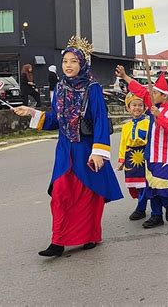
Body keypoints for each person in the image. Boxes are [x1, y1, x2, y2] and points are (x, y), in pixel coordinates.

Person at [13, 37, 123, 256]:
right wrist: (33, 113)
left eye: (73, 61)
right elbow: (56, 120)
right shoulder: (60, 88)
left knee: (89, 196)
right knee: (61, 194)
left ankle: (91, 234)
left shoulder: (93, 89)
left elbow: (100, 119)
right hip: (65, 152)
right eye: (65, 61)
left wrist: (99, 151)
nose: (69, 65)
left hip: (87, 150)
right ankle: (58, 241)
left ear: (82, 64)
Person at [116, 66, 168, 228]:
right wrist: (125, 76)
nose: (151, 95)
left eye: (155, 93)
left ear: (164, 96)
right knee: (151, 187)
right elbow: (139, 89)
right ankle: (156, 215)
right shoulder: (152, 105)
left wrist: (159, 117)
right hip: (149, 154)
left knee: (161, 185)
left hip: (163, 155)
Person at [118, 93, 150, 221]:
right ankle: (140, 202)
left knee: (144, 184)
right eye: (134, 105)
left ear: (145, 107)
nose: (137, 108)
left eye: (140, 105)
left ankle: (141, 208)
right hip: (130, 157)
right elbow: (123, 144)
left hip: (144, 156)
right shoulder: (126, 126)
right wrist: (121, 160)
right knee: (133, 185)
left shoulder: (148, 123)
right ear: (128, 108)